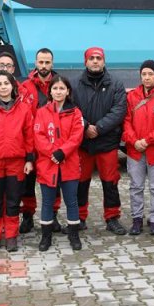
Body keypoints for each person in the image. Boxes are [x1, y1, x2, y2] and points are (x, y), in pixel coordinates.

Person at [0, 71, 35, 253]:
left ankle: (11, 236)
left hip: (17, 163)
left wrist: (29, 159)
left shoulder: (24, 108)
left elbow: (29, 135)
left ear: (13, 86)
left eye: (6, 83)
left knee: (12, 201)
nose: (3, 87)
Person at [72, 46, 128, 235]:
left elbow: (119, 110)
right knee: (81, 182)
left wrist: (99, 128)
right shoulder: (75, 84)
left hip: (107, 143)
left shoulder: (116, 84)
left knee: (110, 181)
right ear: (85, 62)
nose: (95, 61)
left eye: (98, 58)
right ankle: (79, 217)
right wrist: (86, 127)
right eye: (91, 58)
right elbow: (73, 110)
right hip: (84, 143)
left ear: (104, 61)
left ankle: (112, 217)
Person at [33, 75, 85, 251]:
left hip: (69, 163)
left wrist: (63, 152)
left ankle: (74, 234)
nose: (58, 91)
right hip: (48, 164)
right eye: (55, 88)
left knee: (71, 202)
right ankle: (46, 237)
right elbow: (38, 136)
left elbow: (77, 136)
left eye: (62, 88)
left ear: (68, 91)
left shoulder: (76, 112)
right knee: (47, 202)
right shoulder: (41, 112)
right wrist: (52, 152)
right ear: (50, 91)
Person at [123, 60, 154, 236]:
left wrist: (148, 140)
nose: (147, 77)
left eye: (150, 74)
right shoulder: (132, 96)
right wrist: (134, 141)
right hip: (135, 151)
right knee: (136, 186)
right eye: (144, 74)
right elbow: (126, 121)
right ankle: (136, 220)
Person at [19, 48, 61, 234]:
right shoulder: (25, 87)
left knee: (53, 181)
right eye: (41, 62)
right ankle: (28, 216)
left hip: (51, 143)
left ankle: (53, 216)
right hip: (29, 143)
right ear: (35, 63)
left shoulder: (59, 85)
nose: (44, 66)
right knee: (28, 183)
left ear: (52, 63)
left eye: (47, 62)